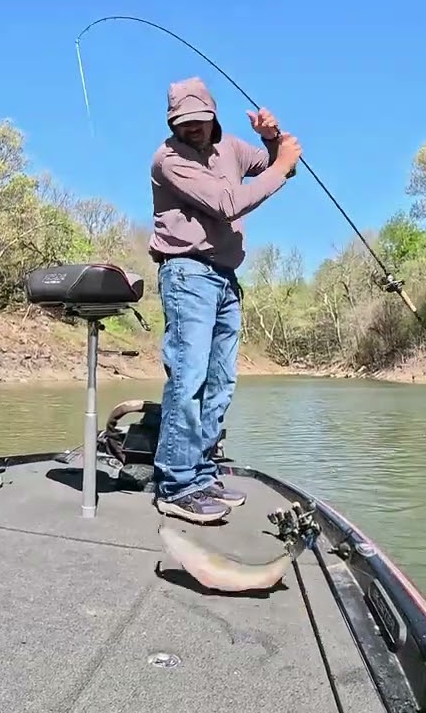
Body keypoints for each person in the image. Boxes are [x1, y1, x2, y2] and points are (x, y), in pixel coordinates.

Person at [147, 76, 302, 524]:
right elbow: (229, 202)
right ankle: (176, 484)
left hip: (225, 277)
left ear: (213, 115)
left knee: (221, 382)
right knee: (189, 377)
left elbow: (280, 166)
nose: (191, 128)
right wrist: (283, 163)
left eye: (198, 120)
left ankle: (201, 472)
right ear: (172, 122)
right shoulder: (169, 160)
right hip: (187, 274)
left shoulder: (232, 148)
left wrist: (273, 140)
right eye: (182, 122)